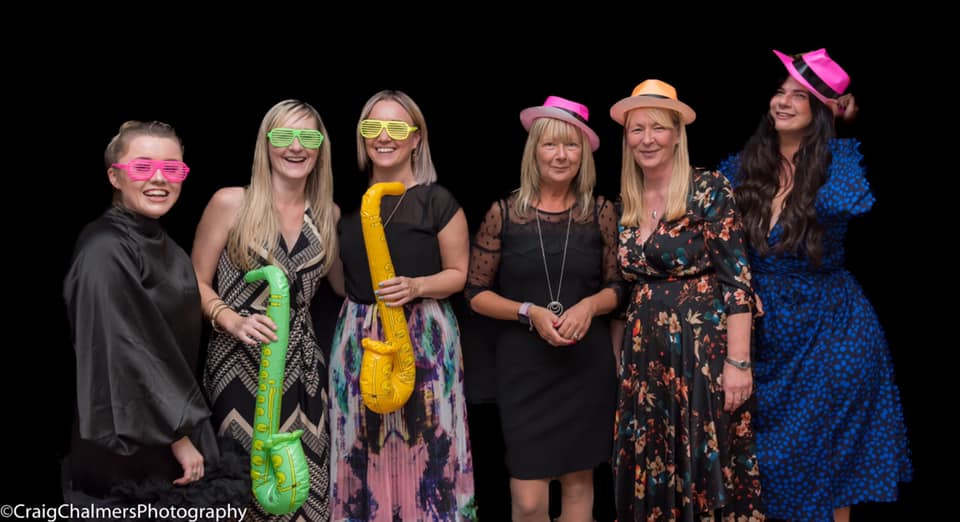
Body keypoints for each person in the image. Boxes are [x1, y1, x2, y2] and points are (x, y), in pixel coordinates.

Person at [718, 49, 912, 522]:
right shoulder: (744, 166)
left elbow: (851, 200)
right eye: (780, 92)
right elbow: (715, 232)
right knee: (759, 465)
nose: (782, 102)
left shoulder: (837, 164)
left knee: (828, 464)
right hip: (763, 333)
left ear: (821, 109)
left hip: (832, 332)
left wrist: (838, 126)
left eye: (799, 96)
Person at [63, 120, 246, 506]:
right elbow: (120, 351)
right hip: (130, 447)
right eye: (142, 167)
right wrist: (176, 436)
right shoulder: (105, 248)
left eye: (172, 168)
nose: (159, 179)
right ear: (115, 177)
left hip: (172, 429)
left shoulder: (159, 240)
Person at [610, 80, 763, 521]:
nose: (647, 139)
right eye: (637, 130)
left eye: (657, 128)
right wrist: (621, 363)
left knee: (705, 459)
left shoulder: (709, 189)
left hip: (702, 354)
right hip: (644, 360)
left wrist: (738, 364)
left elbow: (737, 282)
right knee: (653, 459)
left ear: (677, 133)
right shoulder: (628, 201)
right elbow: (625, 293)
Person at [465, 95, 621, 522]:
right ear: (533, 150)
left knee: (578, 487)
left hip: (585, 367)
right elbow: (475, 292)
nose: (560, 155)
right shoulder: (504, 213)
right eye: (550, 144)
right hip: (525, 369)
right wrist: (528, 311)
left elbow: (618, 286)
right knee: (529, 501)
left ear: (584, 155)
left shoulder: (602, 212)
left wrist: (590, 306)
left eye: (571, 145)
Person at [328, 90, 475, 521]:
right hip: (358, 340)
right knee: (359, 449)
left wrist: (416, 286)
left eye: (396, 128)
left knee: (431, 450)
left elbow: (459, 274)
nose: (384, 137)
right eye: (373, 127)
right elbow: (340, 282)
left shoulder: (438, 201)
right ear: (362, 137)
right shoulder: (346, 212)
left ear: (415, 139)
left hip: (425, 339)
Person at [192, 99, 339, 521]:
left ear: (320, 148)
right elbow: (193, 282)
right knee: (243, 487)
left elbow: (351, 288)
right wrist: (229, 318)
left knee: (304, 489)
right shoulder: (231, 203)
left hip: (304, 369)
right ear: (266, 143)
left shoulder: (327, 214)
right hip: (238, 365)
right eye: (284, 136)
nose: (296, 146)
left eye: (308, 137)